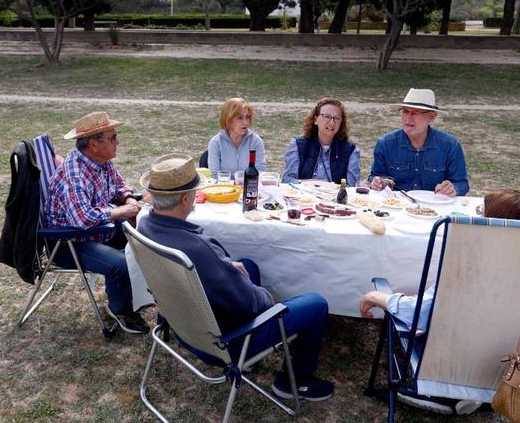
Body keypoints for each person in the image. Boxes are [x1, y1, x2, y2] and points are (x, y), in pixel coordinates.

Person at [137, 154, 335, 402]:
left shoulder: (145, 225)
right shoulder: (197, 249)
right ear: (186, 199)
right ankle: (295, 380)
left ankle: (251, 359)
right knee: (316, 304)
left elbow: (216, 273)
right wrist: (266, 297)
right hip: (222, 344)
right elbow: (254, 304)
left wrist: (228, 268)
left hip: (183, 323)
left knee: (248, 266)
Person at [358, 189, 520, 414]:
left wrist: (378, 297)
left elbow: (421, 313)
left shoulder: (470, 267)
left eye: (481, 213)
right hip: (510, 368)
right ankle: (479, 394)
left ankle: (437, 394)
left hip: (453, 365)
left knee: (408, 323)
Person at [43, 111, 149, 334]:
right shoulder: (74, 174)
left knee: (146, 234)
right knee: (122, 264)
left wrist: (128, 199)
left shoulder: (102, 161)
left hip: (96, 231)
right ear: (93, 144)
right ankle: (119, 309)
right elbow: (82, 219)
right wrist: (123, 211)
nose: (117, 141)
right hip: (68, 242)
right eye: (112, 138)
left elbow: (119, 185)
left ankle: (140, 293)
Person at [367, 88, 468, 197]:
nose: (408, 118)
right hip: (396, 205)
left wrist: (454, 189)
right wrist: (377, 182)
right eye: (405, 111)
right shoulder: (385, 144)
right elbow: (374, 177)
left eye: (415, 113)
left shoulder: (450, 146)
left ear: (432, 117)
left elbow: (462, 183)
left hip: (434, 207)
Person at [281, 97, 360, 186]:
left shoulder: (350, 150)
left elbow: (352, 187)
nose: (332, 122)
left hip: (335, 198)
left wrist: (331, 189)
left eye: (337, 118)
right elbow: (287, 180)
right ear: (315, 120)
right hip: (304, 197)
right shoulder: (298, 145)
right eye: (327, 117)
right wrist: (311, 184)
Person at [207, 97, 266, 175]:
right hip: (224, 186)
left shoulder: (256, 141)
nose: (245, 122)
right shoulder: (216, 143)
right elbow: (214, 175)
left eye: (247, 117)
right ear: (228, 120)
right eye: (240, 118)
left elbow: (260, 172)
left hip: (249, 185)